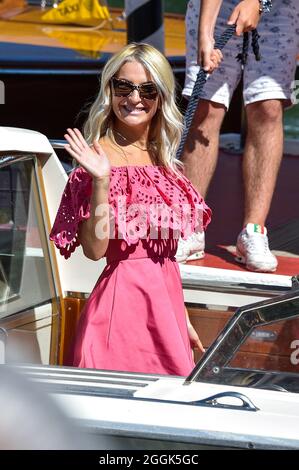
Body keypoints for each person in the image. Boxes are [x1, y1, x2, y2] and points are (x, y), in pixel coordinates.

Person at [49, 43, 211, 376]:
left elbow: (163, 260)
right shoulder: (94, 159)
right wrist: (101, 182)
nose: (134, 97)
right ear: (110, 91)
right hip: (116, 320)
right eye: (123, 86)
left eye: (147, 89)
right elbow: (95, 252)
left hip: (166, 317)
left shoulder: (167, 165)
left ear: (161, 97)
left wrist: (181, 318)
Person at [176, 0, 299, 272]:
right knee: (206, 106)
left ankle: (253, 231)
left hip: (279, 8)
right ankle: (190, 227)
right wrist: (205, 34)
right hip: (217, 6)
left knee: (268, 107)